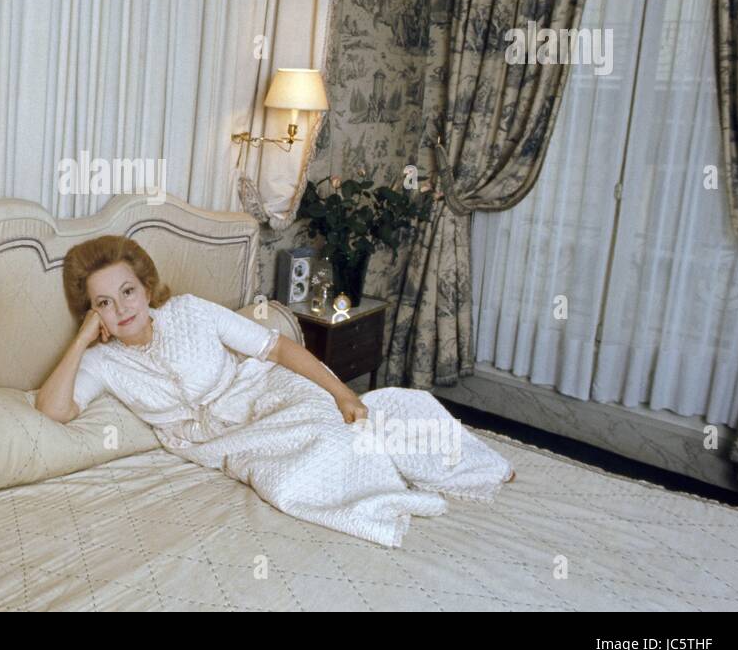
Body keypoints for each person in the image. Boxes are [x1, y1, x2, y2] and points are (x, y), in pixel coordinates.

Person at [36, 235, 515, 548]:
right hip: (221, 439)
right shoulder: (102, 361)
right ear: (93, 312)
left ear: (145, 287)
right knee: (289, 478)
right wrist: (82, 339)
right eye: (104, 303)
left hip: (265, 392)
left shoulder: (189, 311)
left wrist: (342, 393)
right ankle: (387, 487)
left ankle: (448, 462)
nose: (121, 309)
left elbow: (278, 348)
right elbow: (54, 409)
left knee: (342, 422)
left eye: (127, 292)